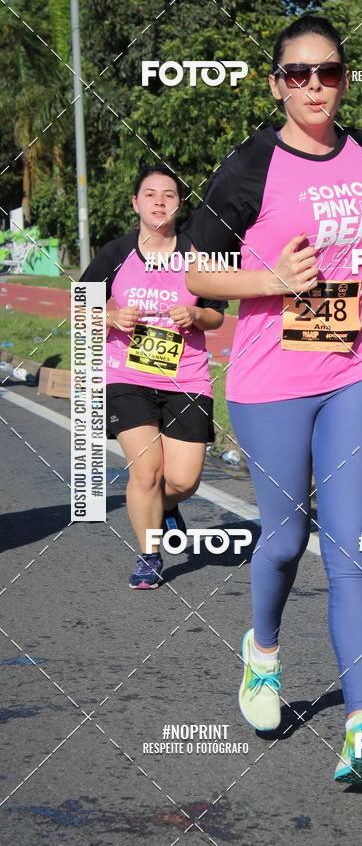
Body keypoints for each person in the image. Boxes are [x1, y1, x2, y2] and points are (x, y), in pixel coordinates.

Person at [184, 15, 362, 784]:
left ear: (345, 78)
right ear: (277, 82)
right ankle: (264, 653)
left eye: (330, 72)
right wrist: (273, 282)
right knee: (284, 541)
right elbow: (199, 276)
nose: (316, 86)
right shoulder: (249, 167)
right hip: (270, 380)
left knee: (350, 548)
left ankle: (361, 728)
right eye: (298, 74)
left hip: (358, 368)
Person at [80, 165, 226, 588]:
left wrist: (196, 314)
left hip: (187, 378)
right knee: (146, 472)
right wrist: (110, 315)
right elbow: (80, 309)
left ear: (180, 204)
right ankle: (149, 554)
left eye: (168, 195)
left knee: (183, 479)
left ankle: (162, 508)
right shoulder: (115, 252)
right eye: (150, 194)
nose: (159, 201)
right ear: (136, 203)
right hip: (127, 375)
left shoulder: (198, 253)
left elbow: (216, 314)